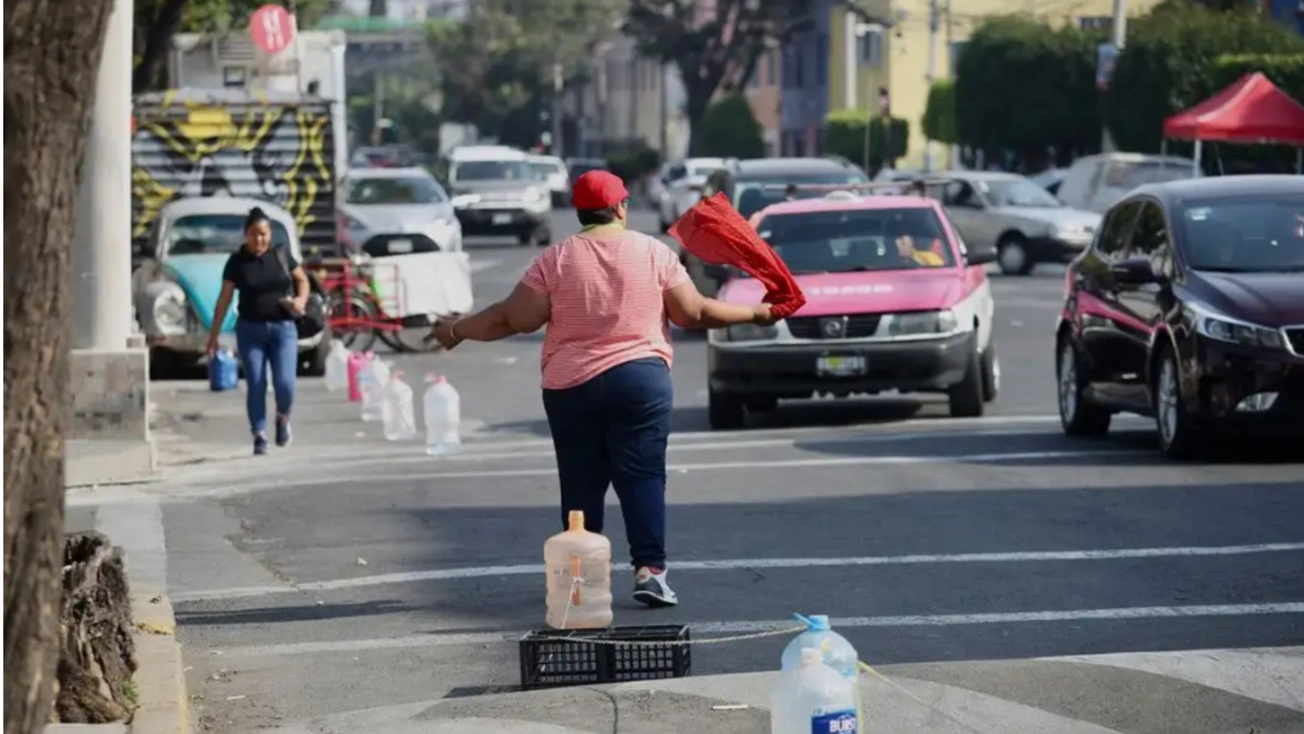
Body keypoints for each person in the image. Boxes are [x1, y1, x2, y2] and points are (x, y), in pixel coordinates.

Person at [427, 170, 776, 607]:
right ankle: (650, 572)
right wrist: (758, 313)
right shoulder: (654, 253)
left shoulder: (555, 261)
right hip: (640, 381)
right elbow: (694, 313)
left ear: (580, 212)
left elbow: (511, 319)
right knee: (643, 476)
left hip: (572, 386)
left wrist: (456, 330)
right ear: (621, 207)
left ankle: (582, 579)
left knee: (580, 480)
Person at [207, 207, 311, 455]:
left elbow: (303, 280)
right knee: (256, 383)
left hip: (283, 329)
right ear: (246, 235)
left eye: (263, 234)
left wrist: (300, 301)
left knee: (285, 384)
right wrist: (214, 336)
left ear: (270, 234)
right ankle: (259, 434)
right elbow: (224, 300)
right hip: (250, 331)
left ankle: (283, 417)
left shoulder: (281, 255)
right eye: (253, 234)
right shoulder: (237, 262)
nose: (258, 240)